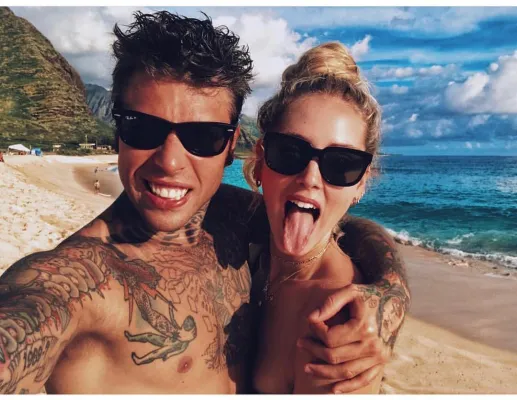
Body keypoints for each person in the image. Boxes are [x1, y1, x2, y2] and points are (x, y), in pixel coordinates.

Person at [0, 12, 409, 395]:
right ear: (117, 131)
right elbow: (25, 318)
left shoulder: (234, 217)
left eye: (203, 137)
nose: (170, 161)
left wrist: (388, 291)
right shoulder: (78, 280)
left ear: (231, 146)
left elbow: (346, 228)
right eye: (143, 128)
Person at [245, 42, 400, 393]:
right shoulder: (239, 245)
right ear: (261, 159)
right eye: (290, 152)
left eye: (341, 164)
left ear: (361, 183)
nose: (310, 178)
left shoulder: (338, 323)